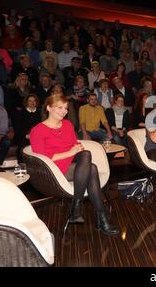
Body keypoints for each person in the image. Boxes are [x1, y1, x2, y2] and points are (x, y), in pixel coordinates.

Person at [29, 94, 119, 235]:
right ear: (48, 108)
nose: (64, 111)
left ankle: (78, 209)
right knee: (92, 168)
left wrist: (77, 148)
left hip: (75, 167)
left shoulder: (67, 124)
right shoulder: (38, 130)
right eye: (60, 107)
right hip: (55, 170)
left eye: (65, 108)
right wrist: (70, 152)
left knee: (88, 158)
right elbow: (42, 159)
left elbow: (75, 144)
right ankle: (101, 220)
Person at [11, 94, 41, 162]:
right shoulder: (20, 113)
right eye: (30, 101)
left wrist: (35, 135)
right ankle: (22, 166)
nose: (32, 102)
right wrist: (26, 135)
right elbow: (17, 128)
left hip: (36, 135)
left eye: (34, 101)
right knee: (23, 147)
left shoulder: (39, 113)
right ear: (26, 102)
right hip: (22, 135)